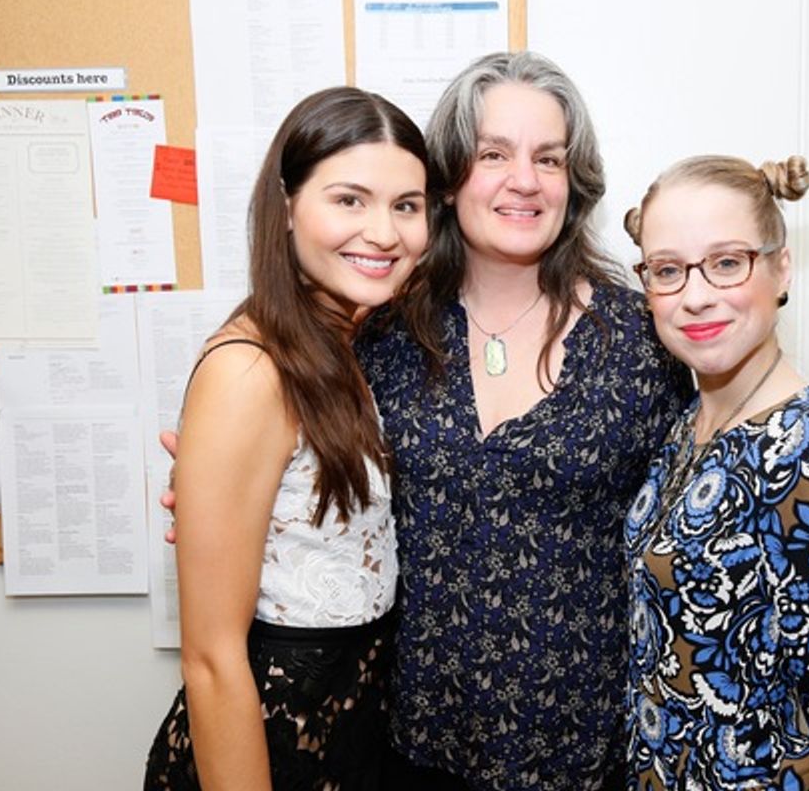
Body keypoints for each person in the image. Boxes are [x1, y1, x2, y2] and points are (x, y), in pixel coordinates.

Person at [357, 51, 692, 790]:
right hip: (414, 747)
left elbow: (696, 524)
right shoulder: (385, 336)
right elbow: (323, 478)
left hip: (585, 756)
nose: (525, 180)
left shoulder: (641, 342)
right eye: (493, 154)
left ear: (575, 183)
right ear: (449, 178)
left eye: (549, 158)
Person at [144, 87, 429, 791]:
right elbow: (212, 660)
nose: (384, 232)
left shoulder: (341, 343)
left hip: (345, 741)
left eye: (406, 206)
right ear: (288, 205)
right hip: (265, 752)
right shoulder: (249, 370)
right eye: (350, 200)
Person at [621, 155, 809, 790]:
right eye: (668, 270)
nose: (696, 295)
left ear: (781, 268)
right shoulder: (689, 426)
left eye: (727, 262)